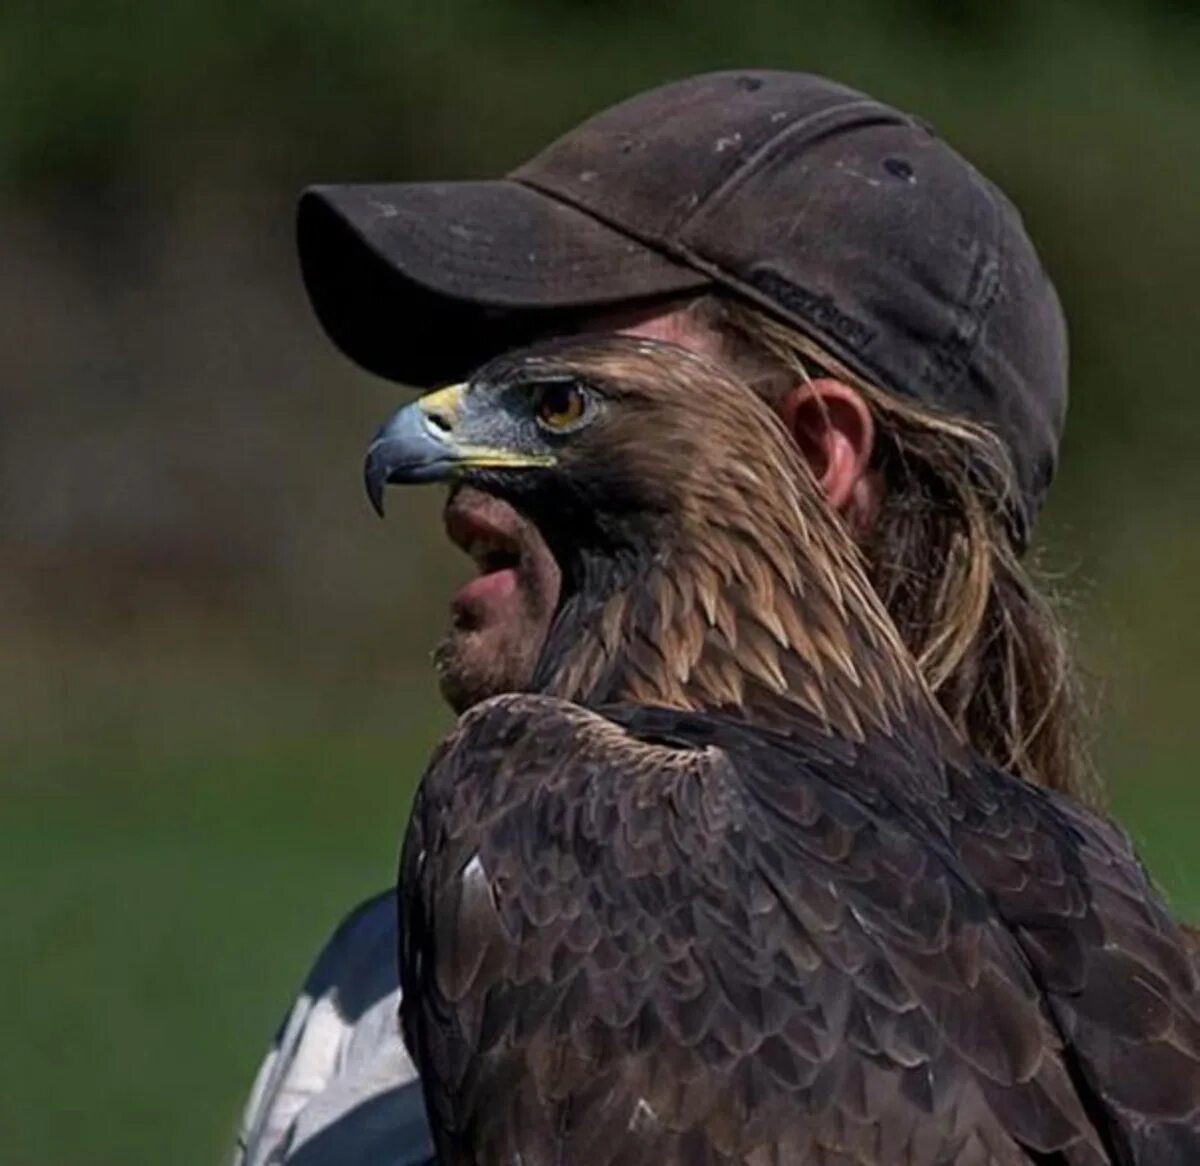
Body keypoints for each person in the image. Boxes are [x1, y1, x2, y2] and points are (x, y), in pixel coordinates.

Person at [233, 70, 1088, 1166]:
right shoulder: (371, 993)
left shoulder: (1118, 1017)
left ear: (811, 455)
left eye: (563, 400)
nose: (461, 502)